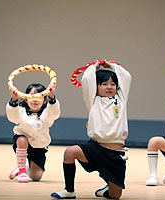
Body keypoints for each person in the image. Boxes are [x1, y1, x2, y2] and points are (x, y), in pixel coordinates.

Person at [51, 60, 132, 199]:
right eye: (104, 84)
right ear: (96, 87)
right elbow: (87, 79)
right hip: (96, 148)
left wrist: (112, 66)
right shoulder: (93, 101)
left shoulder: (121, 99)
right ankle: (69, 190)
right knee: (70, 152)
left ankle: (107, 187)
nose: (109, 87)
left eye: (113, 84)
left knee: (115, 196)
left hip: (115, 154)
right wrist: (94, 66)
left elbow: (127, 77)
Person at [6, 83, 60, 183]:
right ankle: (22, 171)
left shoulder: (47, 113)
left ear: (44, 100)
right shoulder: (21, 110)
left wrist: (52, 97)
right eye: (31, 96)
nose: (35, 99)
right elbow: (12, 118)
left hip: (39, 145)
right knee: (22, 138)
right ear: (26, 99)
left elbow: (54, 114)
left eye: (39, 97)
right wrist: (14, 100)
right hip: (22, 142)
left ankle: (25, 167)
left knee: (36, 177)